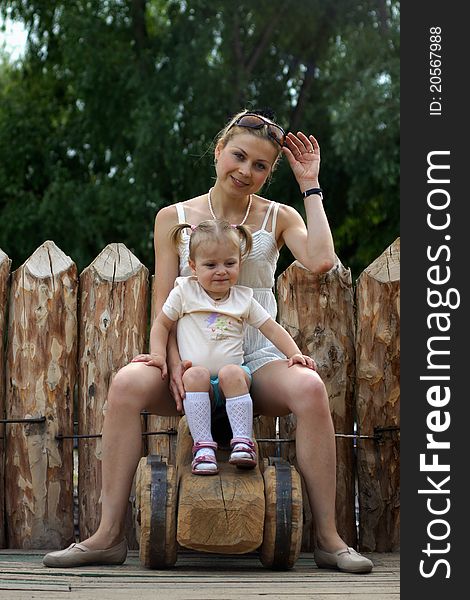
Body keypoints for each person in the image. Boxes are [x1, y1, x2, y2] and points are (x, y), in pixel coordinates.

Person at [43, 109, 373, 573]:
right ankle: (107, 536)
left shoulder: (278, 217)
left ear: (270, 172)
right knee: (124, 384)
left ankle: (328, 539)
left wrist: (310, 185)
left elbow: (321, 260)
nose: (246, 171)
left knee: (311, 389)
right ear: (219, 151)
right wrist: (171, 361)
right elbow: (163, 306)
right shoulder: (173, 218)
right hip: (190, 356)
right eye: (239, 156)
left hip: (252, 358)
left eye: (260, 166)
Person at [150, 218, 316, 475]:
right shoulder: (184, 293)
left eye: (230, 263)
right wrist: (159, 356)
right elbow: (161, 325)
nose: (221, 271)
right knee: (194, 374)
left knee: (233, 372)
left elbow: (270, 328)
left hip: (233, 381)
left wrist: (294, 353)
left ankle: (242, 442)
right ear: (193, 266)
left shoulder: (242, 298)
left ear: (240, 262)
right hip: (197, 382)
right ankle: (203, 446)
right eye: (210, 265)